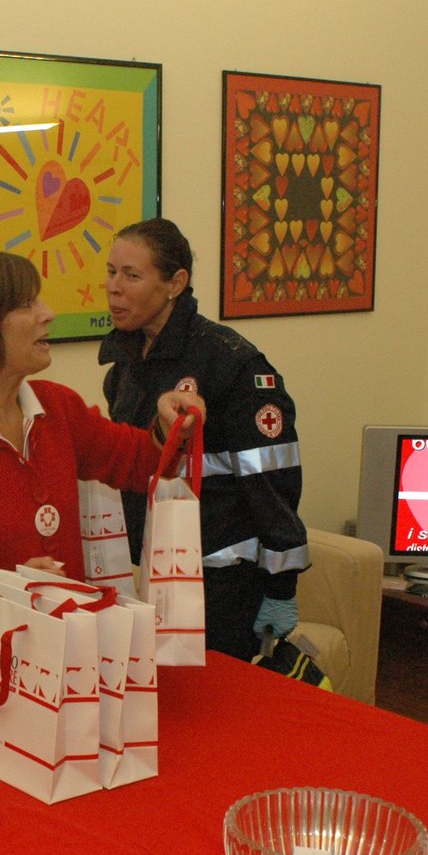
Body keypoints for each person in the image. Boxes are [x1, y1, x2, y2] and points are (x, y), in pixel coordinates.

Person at [0, 250, 204, 706]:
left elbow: (135, 461)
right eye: (27, 304)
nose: (48, 314)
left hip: (67, 674)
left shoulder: (57, 408)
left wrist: (167, 427)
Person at [98, 218, 309, 660]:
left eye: (132, 275)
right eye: (111, 271)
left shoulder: (233, 365)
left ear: (175, 283)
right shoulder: (127, 361)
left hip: (220, 580)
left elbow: (272, 485)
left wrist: (280, 586)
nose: (114, 287)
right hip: (151, 571)